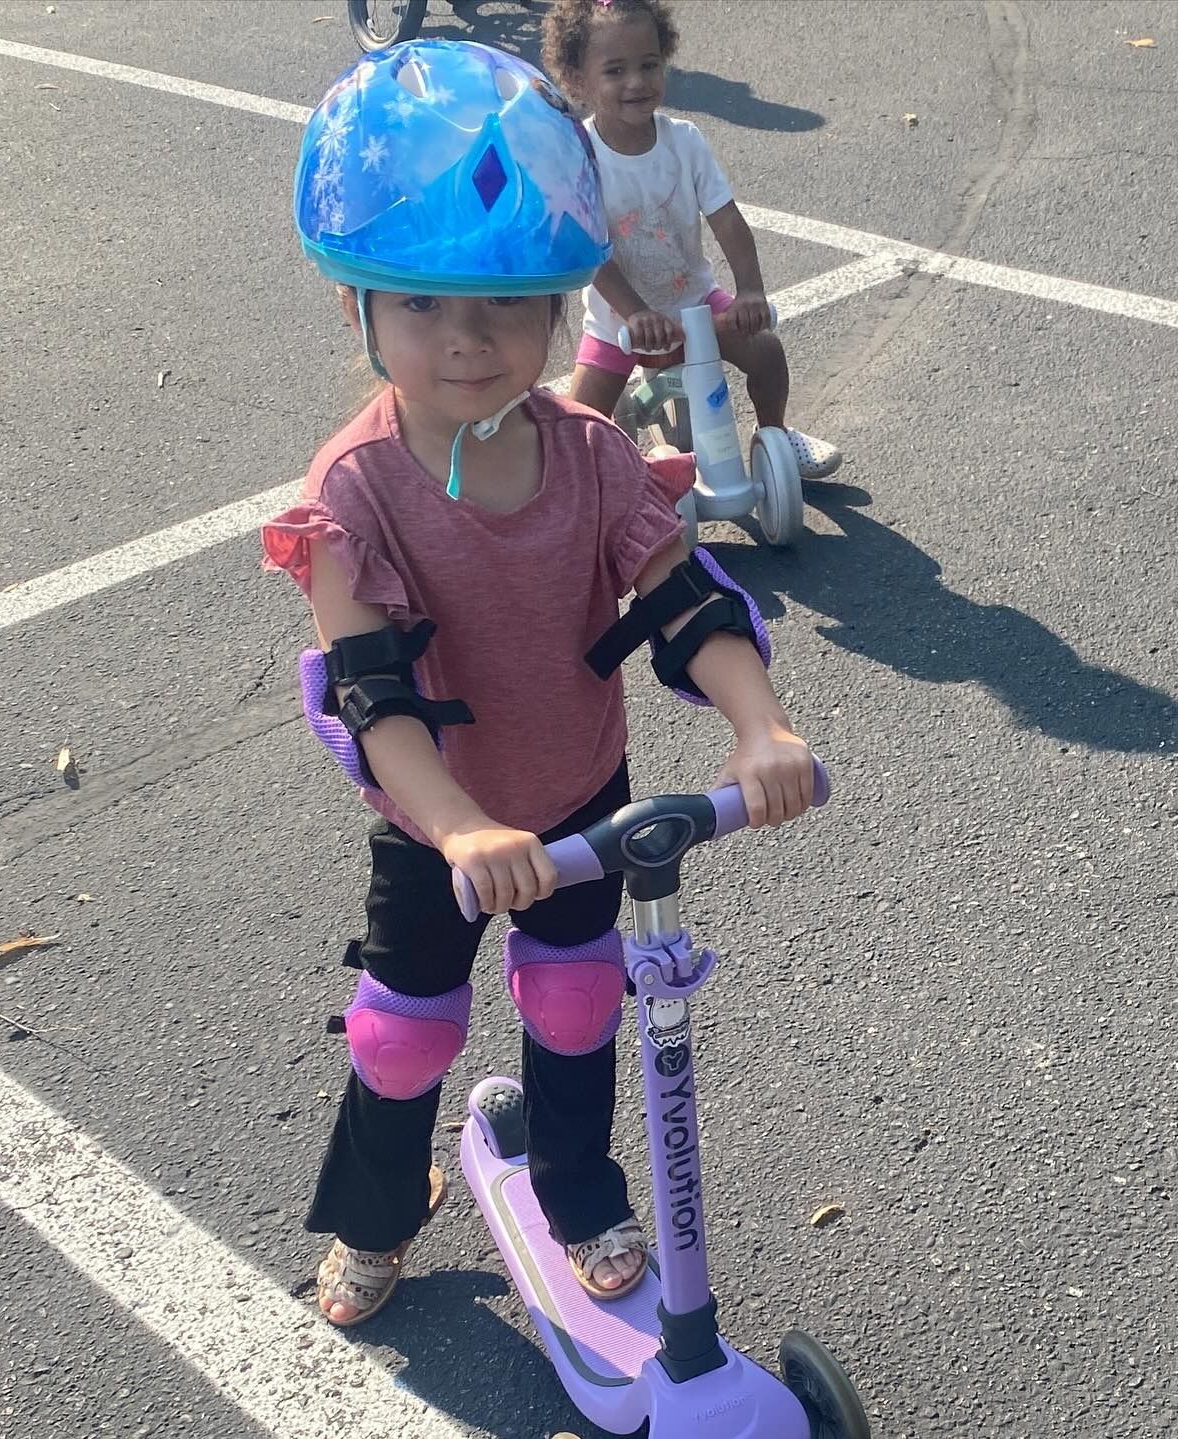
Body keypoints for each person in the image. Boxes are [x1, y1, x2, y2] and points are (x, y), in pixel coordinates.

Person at [263, 38, 817, 1329]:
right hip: (441, 818)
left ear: (560, 309)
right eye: (420, 307)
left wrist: (760, 722)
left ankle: (577, 1187)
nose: (467, 342)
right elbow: (372, 694)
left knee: (575, 1002)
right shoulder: (354, 492)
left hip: (579, 787)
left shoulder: (589, 449)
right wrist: (460, 824)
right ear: (358, 308)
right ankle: (377, 1213)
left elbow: (682, 595)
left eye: (507, 308)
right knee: (404, 1027)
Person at [543, 0, 842, 479]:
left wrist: (749, 291)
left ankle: (777, 435)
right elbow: (593, 251)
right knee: (581, 422)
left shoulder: (684, 141)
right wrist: (637, 312)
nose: (637, 82)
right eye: (615, 70)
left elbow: (728, 222)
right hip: (619, 322)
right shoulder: (580, 156)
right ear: (578, 78)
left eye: (649, 64)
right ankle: (602, 486)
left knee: (766, 351)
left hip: (696, 305)